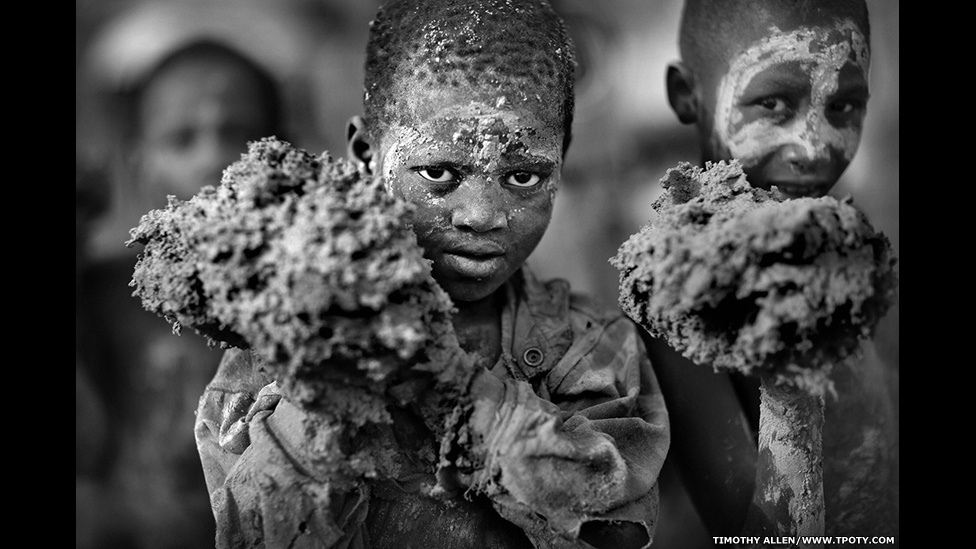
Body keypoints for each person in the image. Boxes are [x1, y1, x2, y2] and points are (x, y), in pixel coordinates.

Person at [193, 1, 670, 548]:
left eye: (522, 176)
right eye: (440, 172)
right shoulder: (277, 356)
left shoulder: (593, 349)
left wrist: (445, 383)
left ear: (560, 163)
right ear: (366, 157)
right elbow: (258, 535)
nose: (483, 215)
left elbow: (615, 532)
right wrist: (331, 382)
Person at [654, 0, 898, 541]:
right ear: (687, 95)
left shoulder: (843, 242)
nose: (814, 149)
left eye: (844, 107)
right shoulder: (675, 292)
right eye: (771, 103)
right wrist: (791, 377)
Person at [76, 26, 290, 549]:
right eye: (180, 138)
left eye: (239, 133)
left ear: (286, 154)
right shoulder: (99, 295)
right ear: (137, 160)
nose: (211, 159)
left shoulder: (315, 293)